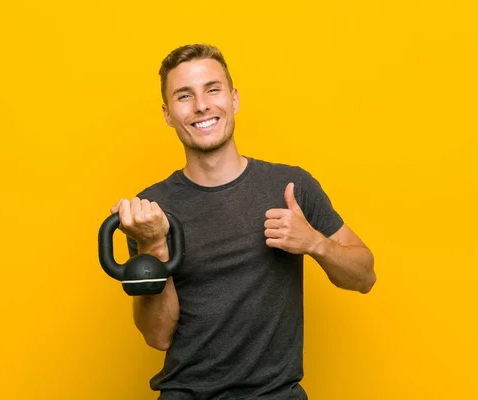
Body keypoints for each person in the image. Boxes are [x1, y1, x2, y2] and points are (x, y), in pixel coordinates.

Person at [110, 43, 376, 400]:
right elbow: (158, 337)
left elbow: (365, 276)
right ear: (168, 113)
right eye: (184, 96)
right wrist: (153, 244)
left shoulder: (291, 187)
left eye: (213, 89)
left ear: (233, 100)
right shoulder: (151, 211)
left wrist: (315, 242)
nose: (201, 105)